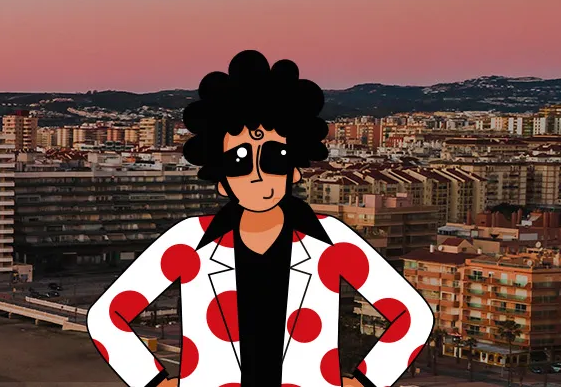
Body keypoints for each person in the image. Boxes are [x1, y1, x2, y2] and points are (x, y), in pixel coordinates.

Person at [85, 51, 432, 387]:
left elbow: (412, 316)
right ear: (221, 180)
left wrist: (366, 381)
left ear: (294, 170)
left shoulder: (330, 241)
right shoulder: (189, 241)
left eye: (274, 158)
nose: (256, 174)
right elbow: (107, 318)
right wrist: (154, 381)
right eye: (239, 161)